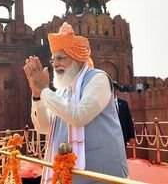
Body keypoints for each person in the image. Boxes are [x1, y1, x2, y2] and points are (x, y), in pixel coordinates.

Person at [23, 22, 128, 184]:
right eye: (53, 59)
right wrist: (37, 96)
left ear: (77, 58)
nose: (55, 63)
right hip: (68, 174)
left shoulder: (97, 79)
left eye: (61, 58)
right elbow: (44, 127)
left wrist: (44, 90)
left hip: (100, 174)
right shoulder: (62, 91)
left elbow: (79, 116)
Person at [113, 81, 136, 146]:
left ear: (118, 91)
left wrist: (131, 136)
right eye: (111, 89)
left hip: (123, 136)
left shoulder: (123, 103)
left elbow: (129, 120)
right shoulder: (105, 105)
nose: (113, 91)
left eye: (115, 89)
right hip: (110, 138)